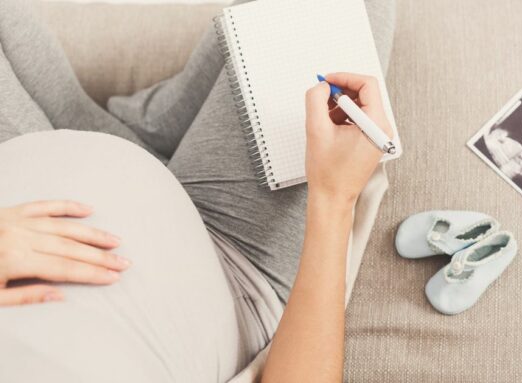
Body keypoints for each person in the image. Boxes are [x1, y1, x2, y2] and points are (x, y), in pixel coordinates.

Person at [0, 0, 395, 381]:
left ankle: (129, 131)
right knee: (342, 10)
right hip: (230, 262)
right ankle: (137, 135)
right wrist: (335, 198)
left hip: (21, 184)